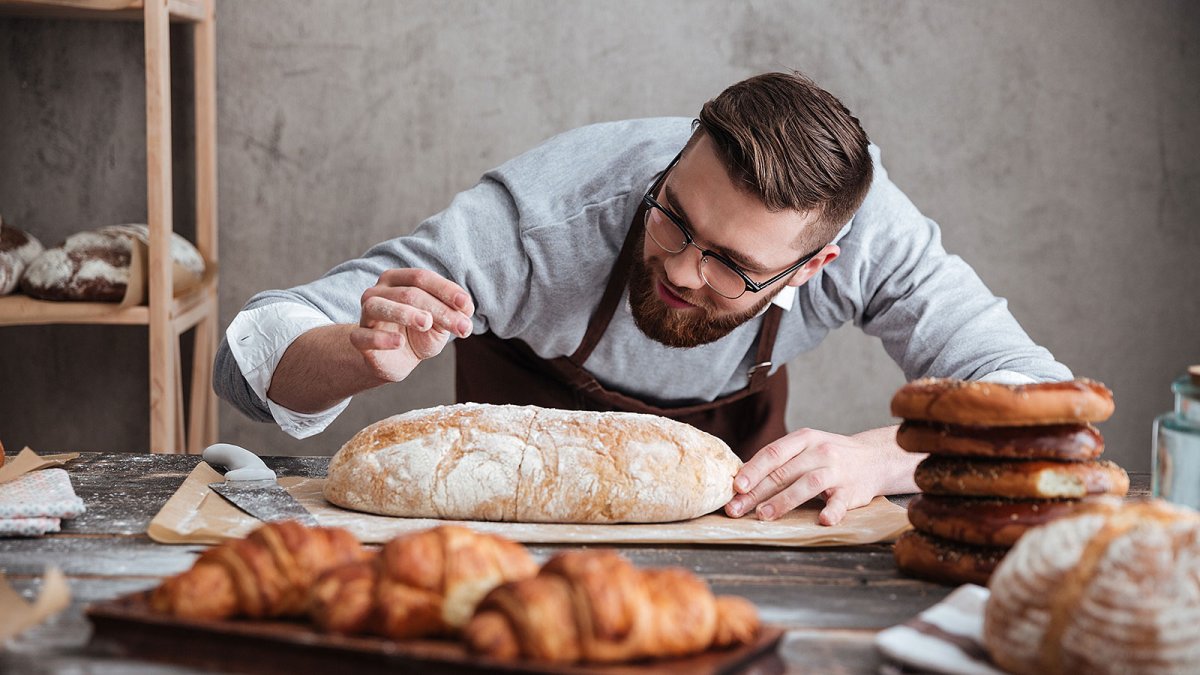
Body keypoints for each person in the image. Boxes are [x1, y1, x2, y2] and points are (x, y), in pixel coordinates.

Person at [214, 71, 1071, 526]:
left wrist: (883, 460)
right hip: (513, 538)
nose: (685, 270)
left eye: (733, 264)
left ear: (817, 267)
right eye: (675, 218)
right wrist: (358, 357)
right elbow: (247, 358)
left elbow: (1043, 406)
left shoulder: (877, 232)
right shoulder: (544, 219)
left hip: (744, 537)